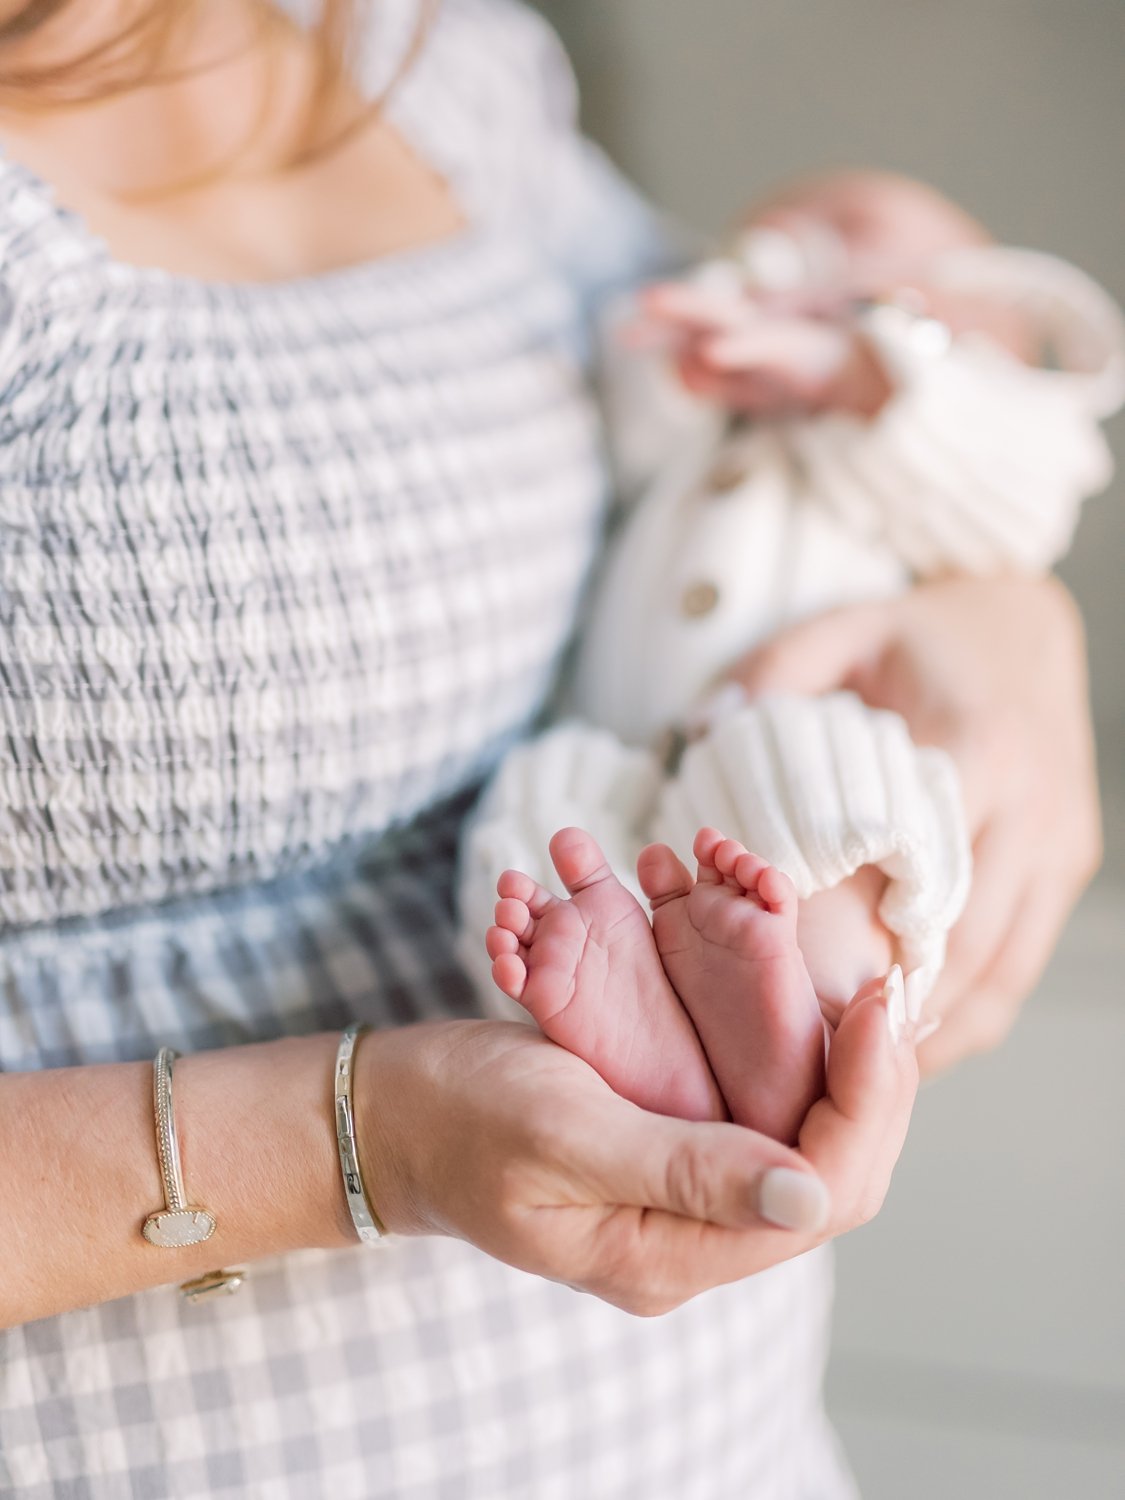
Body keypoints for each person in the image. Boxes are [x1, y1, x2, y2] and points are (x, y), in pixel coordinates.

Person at [0, 2, 1103, 1496]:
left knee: (733, 828)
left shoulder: (424, 53)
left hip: (728, 1454)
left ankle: (776, 1010)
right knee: (585, 851)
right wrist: (369, 1137)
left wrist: (999, 608)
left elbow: (696, 361)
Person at [465, 173, 1123, 1144]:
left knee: (827, 802)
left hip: (800, 705)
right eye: (777, 221)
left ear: (971, 317)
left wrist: (870, 373)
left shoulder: (964, 425)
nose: (796, 228)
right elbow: (616, 434)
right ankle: (626, 1028)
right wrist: (684, 360)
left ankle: (803, 1008)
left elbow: (1028, 494)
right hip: (614, 735)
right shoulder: (719, 423)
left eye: (851, 225)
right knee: (545, 824)